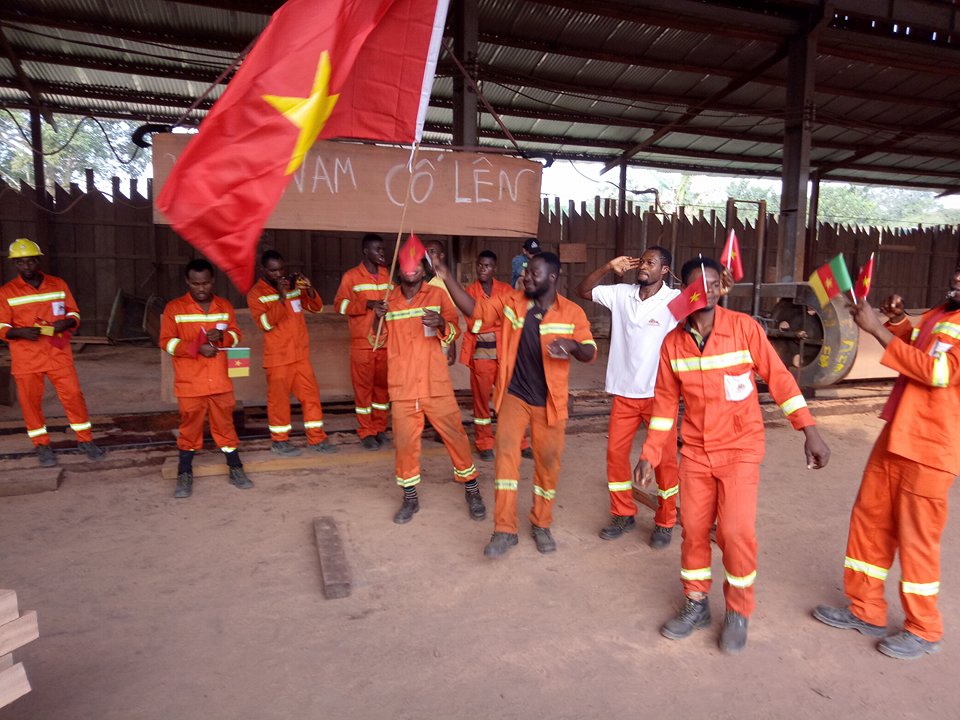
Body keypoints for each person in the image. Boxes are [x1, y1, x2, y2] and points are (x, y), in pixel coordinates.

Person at [634, 256, 830, 654]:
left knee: (736, 533)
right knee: (692, 531)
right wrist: (650, 455)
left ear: (722, 287)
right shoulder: (673, 343)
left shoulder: (744, 329)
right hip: (697, 454)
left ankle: (738, 611)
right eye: (697, 283)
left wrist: (809, 431)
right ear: (684, 291)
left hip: (740, 450)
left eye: (713, 282)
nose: (706, 289)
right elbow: (665, 407)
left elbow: (779, 379)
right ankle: (696, 604)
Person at [813, 265, 960, 660]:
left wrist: (877, 329)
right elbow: (920, 346)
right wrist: (898, 323)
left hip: (932, 447)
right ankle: (866, 608)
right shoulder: (942, 313)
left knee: (917, 539)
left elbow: (939, 371)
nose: (957, 279)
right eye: (958, 272)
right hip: (900, 434)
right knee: (870, 520)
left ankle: (925, 628)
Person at [436, 251, 597, 557]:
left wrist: (574, 346)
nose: (527, 278)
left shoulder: (572, 312)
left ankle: (541, 523)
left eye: (534, 274)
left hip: (550, 402)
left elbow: (590, 350)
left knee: (548, 467)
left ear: (551, 277)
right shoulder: (512, 301)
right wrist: (446, 276)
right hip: (514, 396)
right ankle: (504, 529)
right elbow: (476, 310)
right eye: (526, 273)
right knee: (505, 461)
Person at [576, 247, 681, 548]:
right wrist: (608, 266)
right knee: (616, 456)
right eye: (642, 261)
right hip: (624, 392)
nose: (644, 266)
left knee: (665, 462)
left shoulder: (674, 301)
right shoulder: (622, 293)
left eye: (652, 262)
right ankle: (623, 513)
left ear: (665, 270)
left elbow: (707, 308)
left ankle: (665, 520)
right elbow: (583, 290)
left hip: (660, 395)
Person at [373, 248, 486, 525]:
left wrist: (442, 324)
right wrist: (377, 316)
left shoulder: (437, 295)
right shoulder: (389, 301)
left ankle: (472, 489)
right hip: (403, 387)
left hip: (435, 383)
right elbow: (376, 341)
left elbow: (455, 330)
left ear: (424, 270)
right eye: (404, 265)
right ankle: (409, 498)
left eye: (416, 265)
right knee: (405, 444)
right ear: (398, 270)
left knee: (456, 437)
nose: (410, 269)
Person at [0, 238, 105, 466]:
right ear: (14, 265)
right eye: (20, 262)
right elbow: (2, 327)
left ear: (38, 260)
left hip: (57, 353)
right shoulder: (7, 292)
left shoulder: (58, 285)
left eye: (30, 261)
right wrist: (20, 333)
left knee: (74, 397)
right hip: (26, 358)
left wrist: (64, 324)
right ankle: (42, 445)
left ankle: (85, 440)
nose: (26, 266)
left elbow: (74, 314)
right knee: (30, 402)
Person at [161, 259, 253, 498]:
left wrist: (222, 335)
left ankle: (235, 467)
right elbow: (166, 342)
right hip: (191, 382)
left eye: (205, 283)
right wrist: (195, 348)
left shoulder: (224, 306)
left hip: (220, 380)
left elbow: (236, 334)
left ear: (212, 281)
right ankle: (184, 473)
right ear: (187, 282)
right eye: (195, 284)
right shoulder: (175, 308)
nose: (201, 288)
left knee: (225, 425)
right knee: (189, 429)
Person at [247, 250, 336, 456]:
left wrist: (309, 287)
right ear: (263, 270)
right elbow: (266, 324)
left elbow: (316, 307)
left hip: (300, 355)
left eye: (281, 269)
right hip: (278, 358)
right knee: (279, 402)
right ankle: (280, 441)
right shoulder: (256, 294)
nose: (279, 274)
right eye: (273, 270)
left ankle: (316, 438)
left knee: (311, 397)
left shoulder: (293, 286)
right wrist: (281, 296)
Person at [461, 250, 531, 461]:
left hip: (505, 355)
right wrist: (498, 321)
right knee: (481, 401)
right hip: (481, 356)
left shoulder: (505, 289)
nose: (483, 269)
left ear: (495, 268)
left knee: (511, 400)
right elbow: (474, 324)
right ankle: (484, 443)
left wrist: (491, 321)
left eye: (488, 266)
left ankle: (519, 442)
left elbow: (513, 318)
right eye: (480, 265)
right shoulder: (469, 291)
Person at [334, 234, 391, 450]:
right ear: (365, 251)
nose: (382, 253)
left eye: (383, 249)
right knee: (363, 390)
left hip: (385, 341)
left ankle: (380, 428)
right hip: (362, 344)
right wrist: (366, 304)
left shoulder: (388, 276)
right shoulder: (351, 276)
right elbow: (339, 306)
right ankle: (366, 431)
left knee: (382, 391)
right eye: (377, 249)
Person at [424, 239, 458, 368]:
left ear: (441, 256)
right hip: (425, 345)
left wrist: (452, 345)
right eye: (426, 252)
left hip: (441, 344)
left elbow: (450, 316)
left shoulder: (445, 282)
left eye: (432, 252)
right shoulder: (425, 281)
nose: (428, 255)